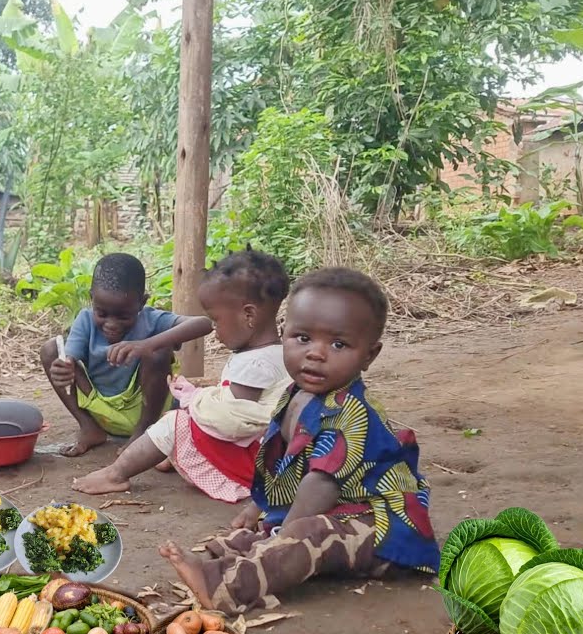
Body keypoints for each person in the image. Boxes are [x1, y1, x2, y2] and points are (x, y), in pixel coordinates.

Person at [158, 268, 439, 612]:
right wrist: (258, 507)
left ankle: (225, 588)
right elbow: (281, 463)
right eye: (303, 338)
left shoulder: (350, 414)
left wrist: (283, 537)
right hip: (341, 509)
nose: (316, 353)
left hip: (383, 532)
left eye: (338, 344)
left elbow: (320, 486)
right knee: (270, 527)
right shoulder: (295, 394)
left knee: (304, 534)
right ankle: (227, 557)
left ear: (369, 355)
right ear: (284, 335)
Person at [73, 250, 292, 498]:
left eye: (217, 320)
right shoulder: (277, 354)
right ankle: (173, 451)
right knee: (185, 419)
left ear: (248, 315)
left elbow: (231, 423)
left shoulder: (254, 364)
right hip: (265, 454)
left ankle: (116, 474)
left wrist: (195, 400)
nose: (215, 330)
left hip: (253, 465)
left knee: (173, 423)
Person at [40, 253, 211, 457]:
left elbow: (204, 323)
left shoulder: (151, 320)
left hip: (147, 409)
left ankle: (142, 434)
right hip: (100, 407)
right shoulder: (85, 320)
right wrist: (65, 368)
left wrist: (146, 345)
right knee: (50, 349)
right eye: (102, 314)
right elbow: (69, 358)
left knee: (158, 351)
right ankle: (89, 427)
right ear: (91, 298)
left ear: (142, 303)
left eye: (123, 316)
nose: (111, 324)